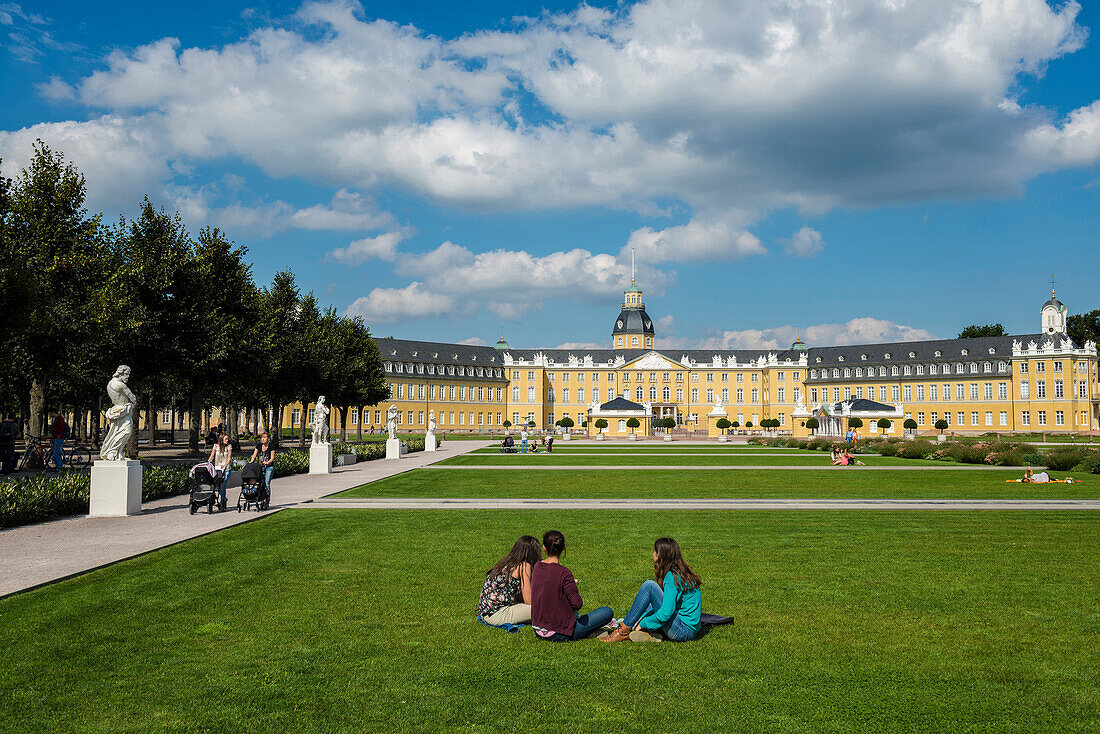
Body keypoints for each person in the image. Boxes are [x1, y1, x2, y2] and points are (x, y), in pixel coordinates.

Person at [603, 537, 702, 643]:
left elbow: (665, 614)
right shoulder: (682, 573)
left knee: (649, 586)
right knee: (649, 605)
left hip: (682, 632)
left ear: (661, 555)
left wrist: (644, 623)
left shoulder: (671, 577)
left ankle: (623, 631)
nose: (653, 554)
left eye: (655, 551)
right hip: (689, 630)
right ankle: (646, 632)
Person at [531, 530, 613, 642]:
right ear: (563, 547)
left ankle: (590, 632)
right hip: (560, 632)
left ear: (544, 547)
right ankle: (589, 632)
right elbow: (577, 603)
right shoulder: (564, 573)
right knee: (607, 612)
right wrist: (572, 585)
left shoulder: (537, 566)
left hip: (538, 629)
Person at [478, 535, 542, 626]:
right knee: (542, 609)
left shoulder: (506, 561)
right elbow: (529, 601)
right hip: (498, 614)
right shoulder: (524, 566)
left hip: (486, 612)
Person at [208, 432, 233, 507]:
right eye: (226, 439)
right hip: (217, 469)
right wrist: (209, 462)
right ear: (221, 440)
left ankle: (222, 501)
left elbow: (229, 458)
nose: (227, 440)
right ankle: (222, 498)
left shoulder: (229, 447)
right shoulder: (216, 446)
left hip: (226, 469)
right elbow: (212, 456)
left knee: (223, 485)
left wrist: (225, 465)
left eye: (227, 439)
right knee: (217, 486)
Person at [250, 432, 276, 500]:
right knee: (259, 483)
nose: (263, 439)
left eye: (265, 438)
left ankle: (267, 499)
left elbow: (272, 458)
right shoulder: (259, 445)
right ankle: (260, 497)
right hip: (260, 467)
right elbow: (254, 455)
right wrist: (251, 461)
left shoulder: (271, 446)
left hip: (269, 467)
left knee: (266, 483)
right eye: (262, 438)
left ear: (268, 439)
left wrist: (267, 462)